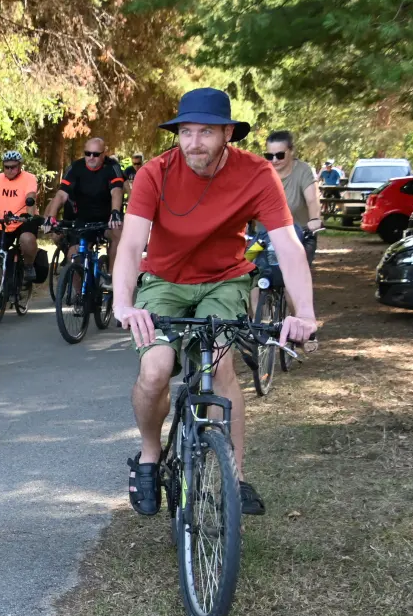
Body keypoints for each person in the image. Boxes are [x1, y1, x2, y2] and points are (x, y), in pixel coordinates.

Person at [113, 88, 317, 519]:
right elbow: (131, 245)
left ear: (228, 133)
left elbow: (288, 244)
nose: (193, 143)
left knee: (220, 366)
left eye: (206, 131)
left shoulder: (257, 174)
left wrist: (305, 313)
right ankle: (149, 454)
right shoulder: (155, 173)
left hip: (223, 281)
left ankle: (236, 478)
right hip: (164, 280)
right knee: (154, 372)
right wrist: (123, 303)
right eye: (186, 132)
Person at [44, 137, 125, 268]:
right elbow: (61, 195)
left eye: (96, 154)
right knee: (73, 256)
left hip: (107, 218)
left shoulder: (112, 167)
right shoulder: (76, 167)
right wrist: (51, 217)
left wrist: (115, 211)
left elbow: (116, 191)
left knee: (118, 234)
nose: (91, 157)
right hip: (84, 219)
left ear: (104, 154)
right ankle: (79, 287)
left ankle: (111, 276)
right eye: (87, 153)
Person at [0, 151, 45, 282]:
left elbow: (30, 196)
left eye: (13, 167)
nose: (10, 170)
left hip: (24, 220)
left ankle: (28, 266)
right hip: (4, 222)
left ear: (20, 166)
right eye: (7, 167)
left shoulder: (29, 178)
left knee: (26, 239)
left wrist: (30, 216)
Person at [263, 129, 323, 262]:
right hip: (265, 236)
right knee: (255, 272)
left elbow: (312, 199)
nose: (274, 160)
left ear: (291, 152)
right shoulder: (260, 173)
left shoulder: (303, 170)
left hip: (300, 234)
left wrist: (314, 219)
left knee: (298, 274)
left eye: (279, 155)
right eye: (269, 156)